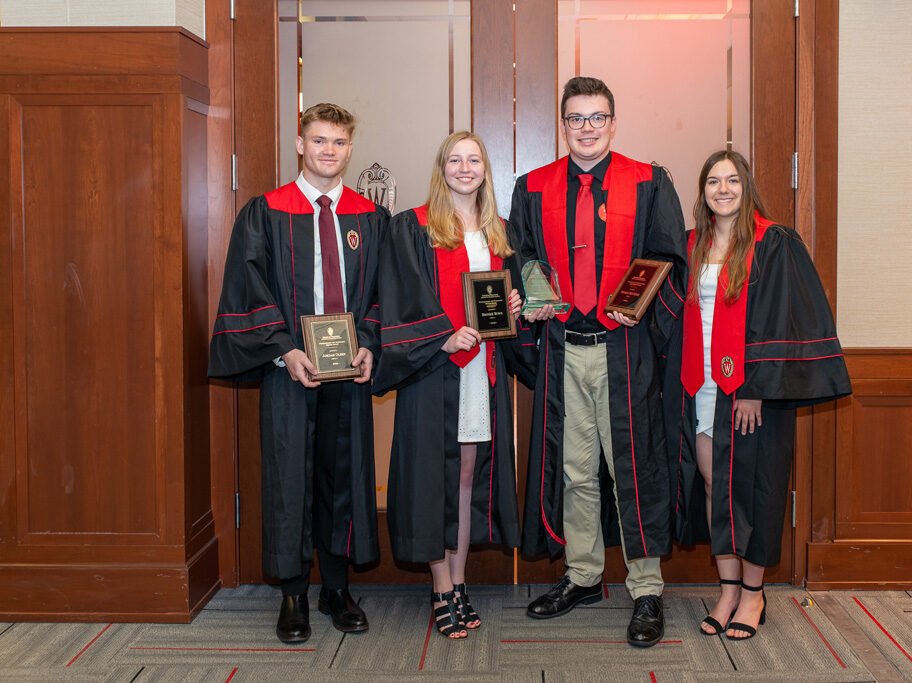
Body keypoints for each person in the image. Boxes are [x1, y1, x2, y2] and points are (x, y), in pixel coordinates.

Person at [508, 76, 686, 647]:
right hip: (564, 346)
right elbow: (523, 257)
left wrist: (643, 306)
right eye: (576, 118)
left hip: (624, 348)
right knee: (576, 469)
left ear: (613, 121)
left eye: (597, 117)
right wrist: (535, 300)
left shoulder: (650, 182)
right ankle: (583, 574)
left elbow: (668, 258)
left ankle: (646, 587)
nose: (586, 128)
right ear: (563, 125)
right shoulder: (532, 186)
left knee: (633, 467)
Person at [208, 103, 388, 643]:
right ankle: (293, 594)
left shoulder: (368, 217)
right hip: (289, 367)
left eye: (338, 142)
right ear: (299, 144)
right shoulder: (265, 212)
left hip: (347, 370)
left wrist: (371, 345)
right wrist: (285, 350)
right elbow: (249, 286)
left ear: (350, 149)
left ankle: (335, 588)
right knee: (290, 478)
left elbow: (384, 294)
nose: (328, 150)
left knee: (343, 475)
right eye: (318, 141)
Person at [670, 150, 851, 640]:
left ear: (746, 186)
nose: (722, 189)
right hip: (701, 385)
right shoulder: (690, 245)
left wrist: (754, 388)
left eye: (732, 180)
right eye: (713, 182)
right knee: (714, 487)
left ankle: (753, 595)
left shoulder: (774, 243)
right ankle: (727, 590)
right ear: (702, 191)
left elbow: (780, 319)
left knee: (755, 490)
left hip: (750, 390)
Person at [375, 131, 528, 639]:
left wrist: (513, 308)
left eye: (474, 159)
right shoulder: (414, 227)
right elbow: (403, 300)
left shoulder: (499, 232)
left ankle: (459, 581)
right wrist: (442, 336)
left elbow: (504, 298)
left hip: (481, 368)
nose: (465, 168)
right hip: (434, 371)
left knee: (466, 475)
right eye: (455, 160)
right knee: (435, 479)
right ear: (442, 168)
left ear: (485, 168)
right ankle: (441, 588)